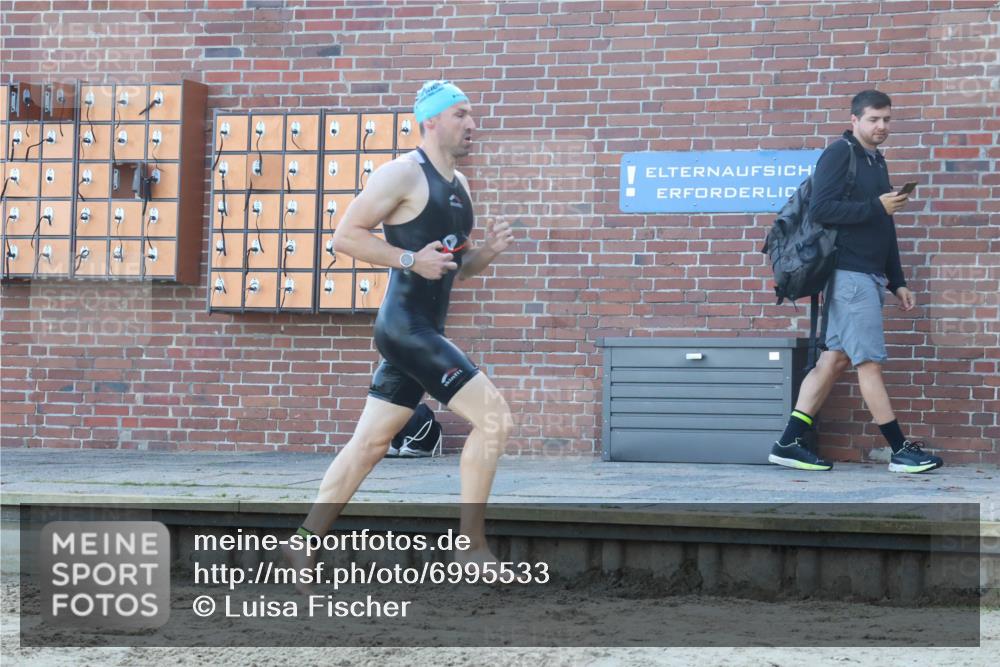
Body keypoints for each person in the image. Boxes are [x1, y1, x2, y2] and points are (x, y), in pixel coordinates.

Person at [283, 81, 516, 587]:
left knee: (369, 444)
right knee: (494, 419)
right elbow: (345, 236)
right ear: (431, 120)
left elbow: (453, 269)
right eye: (461, 114)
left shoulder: (460, 187)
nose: (472, 124)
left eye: (472, 114)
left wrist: (487, 253)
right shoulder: (403, 173)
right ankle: (470, 549)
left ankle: (302, 546)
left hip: (423, 331)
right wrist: (407, 258)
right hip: (404, 328)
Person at [769, 89, 944, 474]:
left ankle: (788, 443)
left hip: (867, 274)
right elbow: (822, 208)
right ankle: (900, 451)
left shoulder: (876, 162)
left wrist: (896, 280)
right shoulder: (839, 154)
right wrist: (874, 206)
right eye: (873, 119)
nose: (881, 126)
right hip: (848, 275)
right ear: (855, 121)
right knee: (868, 361)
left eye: (886, 120)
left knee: (834, 360)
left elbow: (884, 225)